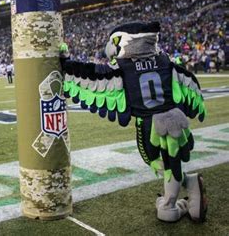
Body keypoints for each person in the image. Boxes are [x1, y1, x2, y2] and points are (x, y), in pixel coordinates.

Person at [60, 21, 207, 223]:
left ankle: (172, 204)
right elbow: (187, 84)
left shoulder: (124, 66)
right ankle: (182, 190)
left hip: (150, 124)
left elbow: (90, 74)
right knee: (171, 160)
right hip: (175, 119)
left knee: (156, 161)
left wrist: (64, 63)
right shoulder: (165, 61)